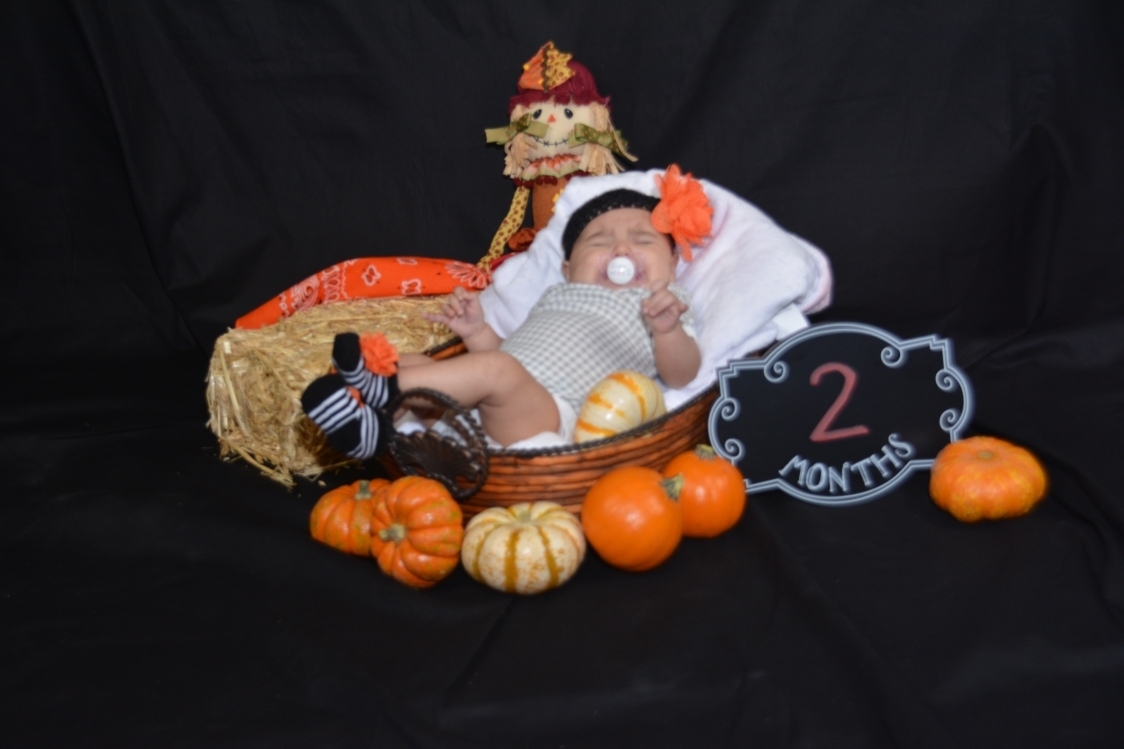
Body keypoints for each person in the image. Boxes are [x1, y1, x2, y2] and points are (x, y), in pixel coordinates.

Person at [301, 171, 710, 458]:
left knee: (496, 371)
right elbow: (511, 352)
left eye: (642, 240)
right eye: (599, 242)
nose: (620, 250)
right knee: (423, 362)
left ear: (672, 264)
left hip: (549, 415)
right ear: (568, 270)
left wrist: (667, 331)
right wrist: (477, 332)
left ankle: (381, 387)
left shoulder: (664, 304)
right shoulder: (557, 296)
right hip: (485, 405)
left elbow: (682, 375)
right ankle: (372, 425)